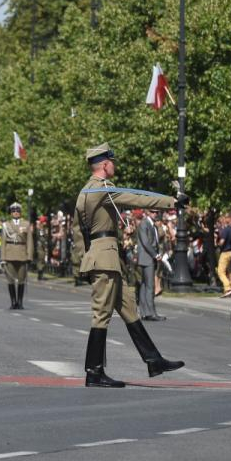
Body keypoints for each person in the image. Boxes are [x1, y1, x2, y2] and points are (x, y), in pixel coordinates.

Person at [72, 142, 185, 388]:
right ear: (104, 164)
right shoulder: (102, 189)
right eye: (112, 162)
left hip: (102, 256)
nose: (114, 165)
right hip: (105, 257)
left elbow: (77, 231)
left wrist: (82, 261)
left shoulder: (85, 192)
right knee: (101, 314)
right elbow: (137, 198)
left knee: (129, 309)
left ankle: (153, 360)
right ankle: (94, 372)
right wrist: (172, 202)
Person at [0, 202, 34, 309]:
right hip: (9, 254)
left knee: (21, 279)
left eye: (17, 211)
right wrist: (2, 258)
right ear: (11, 213)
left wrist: (29, 256)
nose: (15, 213)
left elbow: (29, 241)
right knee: (10, 280)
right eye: (13, 211)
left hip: (22, 254)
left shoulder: (26, 224)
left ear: (20, 212)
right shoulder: (6, 225)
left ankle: (20, 302)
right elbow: (3, 243)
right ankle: (13, 302)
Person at [137, 208, 166, 321]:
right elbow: (145, 242)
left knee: (144, 286)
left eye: (157, 212)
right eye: (153, 212)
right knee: (150, 286)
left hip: (148, 258)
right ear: (148, 212)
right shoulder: (144, 223)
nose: (155, 214)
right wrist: (155, 255)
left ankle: (144, 312)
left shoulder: (152, 224)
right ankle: (151, 313)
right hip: (147, 258)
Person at [216, 212, 231, 298]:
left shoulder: (226, 229)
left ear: (229, 218)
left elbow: (222, 242)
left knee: (220, 271)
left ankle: (228, 288)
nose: (224, 219)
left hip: (225, 252)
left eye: (226, 217)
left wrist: (218, 244)